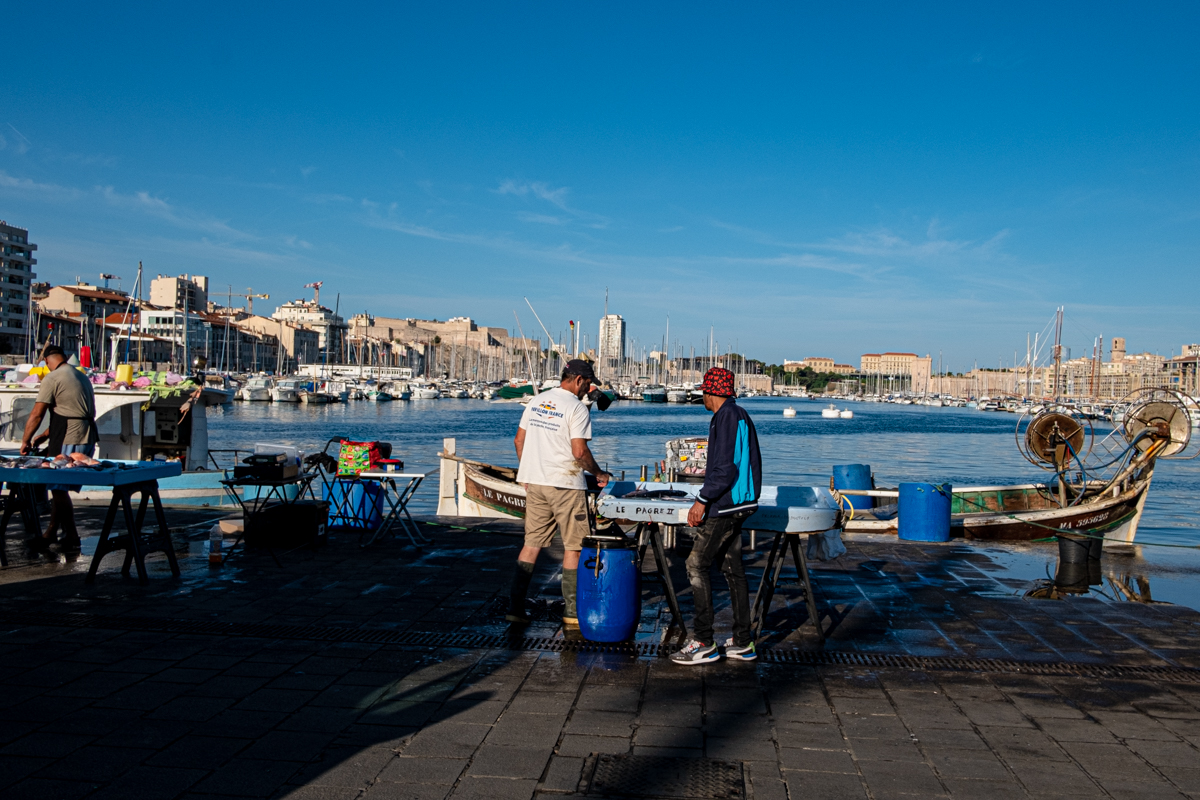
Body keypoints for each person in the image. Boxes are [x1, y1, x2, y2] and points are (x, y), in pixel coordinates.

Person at [508, 359, 611, 627]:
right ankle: (572, 613)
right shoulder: (576, 408)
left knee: (531, 544)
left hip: (536, 482)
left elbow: (519, 440)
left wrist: (527, 472)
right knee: (573, 547)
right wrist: (599, 473)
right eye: (587, 384)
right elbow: (579, 452)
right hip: (566, 486)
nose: (588, 389)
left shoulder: (537, 401)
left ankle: (515, 608)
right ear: (578, 380)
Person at [671, 366, 762, 665]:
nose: (702, 398)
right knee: (732, 569)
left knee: (696, 564)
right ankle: (743, 641)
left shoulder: (726, 416)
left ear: (711, 392)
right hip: (740, 503)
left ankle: (703, 642)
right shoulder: (739, 414)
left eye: (704, 393)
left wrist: (702, 500)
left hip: (725, 505)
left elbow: (725, 468)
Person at [20, 345, 99, 552]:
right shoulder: (81, 375)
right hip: (87, 434)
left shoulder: (52, 378)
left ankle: (71, 534)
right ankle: (51, 532)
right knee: (59, 488)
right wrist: (45, 435)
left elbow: (37, 413)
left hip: (70, 436)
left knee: (57, 487)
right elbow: (72, 410)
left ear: (47, 361)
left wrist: (25, 441)